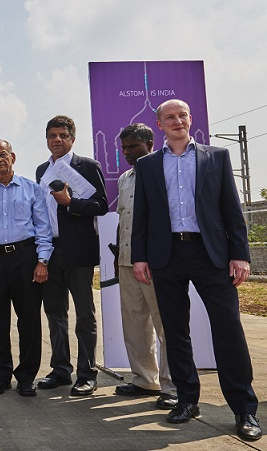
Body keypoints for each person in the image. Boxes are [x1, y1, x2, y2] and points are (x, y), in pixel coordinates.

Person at [132, 99, 261, 441]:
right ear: (160, 124)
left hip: (211, 253)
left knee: (228, 329)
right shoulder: (147, 165)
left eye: (182, 115)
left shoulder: (216, 157)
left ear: (190, 119)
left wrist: (240, 254)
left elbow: (232, 209)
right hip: (167, 255)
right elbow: (142, 214)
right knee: (175, 331)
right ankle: (187, 400)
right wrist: (140, 257)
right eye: (170, 117)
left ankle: (244, 408)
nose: (177, 121)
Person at [0, 140, 52, 396]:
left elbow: (43, 228)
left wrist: (42, 261)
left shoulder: (31, 189)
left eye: (2, 154)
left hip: (25, 259)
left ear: (12, 157)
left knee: (29, 320)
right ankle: (0, 375)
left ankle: (27, 377)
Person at [35, 115, 108, 396]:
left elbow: (101, 204)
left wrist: (71, 203)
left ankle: (87, 373)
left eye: (63, 135)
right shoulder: (42, 170)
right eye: (52, 135)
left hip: (79, 250)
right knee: (55, 313)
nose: (57, 140)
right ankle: (61, 370)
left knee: (85, 314)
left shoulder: (87, 166)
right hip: (50, 250)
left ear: (72, 139)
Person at [113, 124, 176, 409]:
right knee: (135, 323)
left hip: (155, 262)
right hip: (127, 261)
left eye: (133, 147)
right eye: (124, 148)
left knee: (166, 324)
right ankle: (144, 380)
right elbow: (123, 219)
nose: (127, 153)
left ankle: (173, 385)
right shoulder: (124, 178)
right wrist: (118, 257)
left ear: (150, 144)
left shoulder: (164, 171)